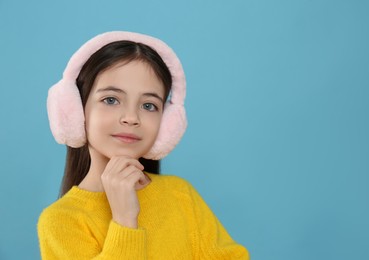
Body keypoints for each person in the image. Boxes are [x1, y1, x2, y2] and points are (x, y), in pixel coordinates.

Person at [37, 31, 249, 259]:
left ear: (167, 123)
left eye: (148, 105)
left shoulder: (181, 195)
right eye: (111, 100)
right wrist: (125, 221)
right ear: (76, 111)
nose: (131, 117)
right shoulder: (61, 221)